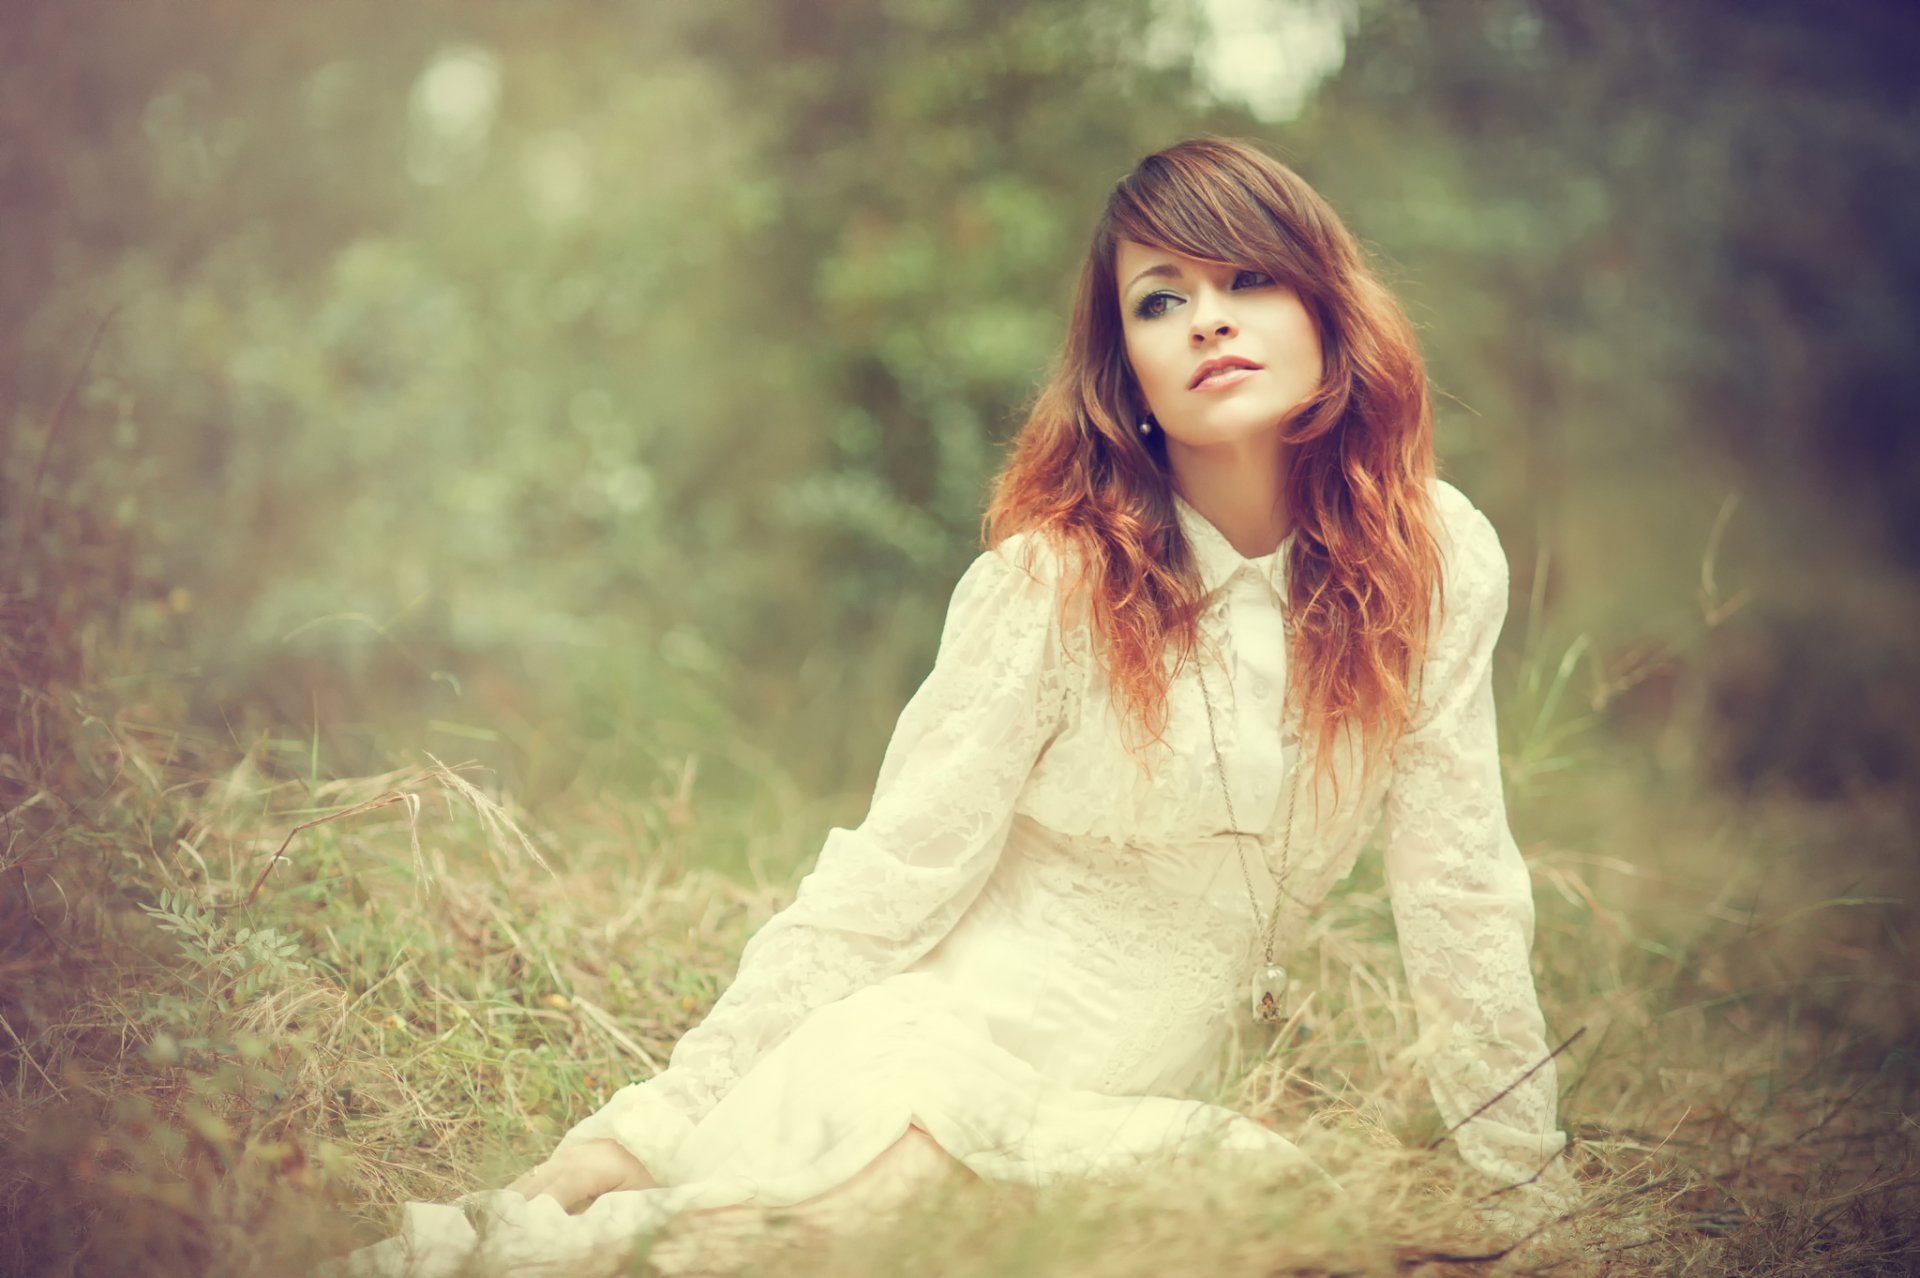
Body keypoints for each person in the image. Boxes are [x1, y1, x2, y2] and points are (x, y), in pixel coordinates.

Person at [322, 136, 1574, 1276]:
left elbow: (1460, 887)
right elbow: (880, 890)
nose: (1207, 321)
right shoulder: (1052, 585)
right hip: (915, 1073)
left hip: (1127, 1127)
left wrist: (1529, 1191)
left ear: (1325, 311)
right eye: (1160, 300)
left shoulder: (1435, 566)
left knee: (1276, 1216)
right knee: (866, 1211)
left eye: (1248, 280)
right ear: (1125, 372)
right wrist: (643, 1128)